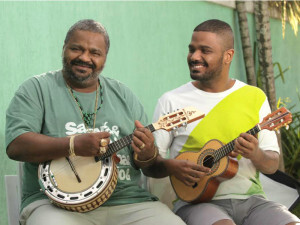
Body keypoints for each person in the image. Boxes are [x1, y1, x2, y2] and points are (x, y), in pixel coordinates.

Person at [5, 19, 185, 225]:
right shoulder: (36, 89)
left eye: (94, 53)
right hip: (55, 205)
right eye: (76, 49)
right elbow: (16, 145)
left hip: (129, 203)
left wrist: (147, 154)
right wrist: (73, 145)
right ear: (64, 48)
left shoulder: (124, 95)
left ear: (104, 58)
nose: (84, 58)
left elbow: (150, 168)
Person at [144, 19, 300, 225]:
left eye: (205, 50)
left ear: (228, 56)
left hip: (253, 201)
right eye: (192, 49)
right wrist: (174, 167)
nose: (194, 57)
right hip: (195, 203)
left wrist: (255, 153)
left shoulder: (254, 97)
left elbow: (271, 166)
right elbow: (152, 167)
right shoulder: (171, 100)